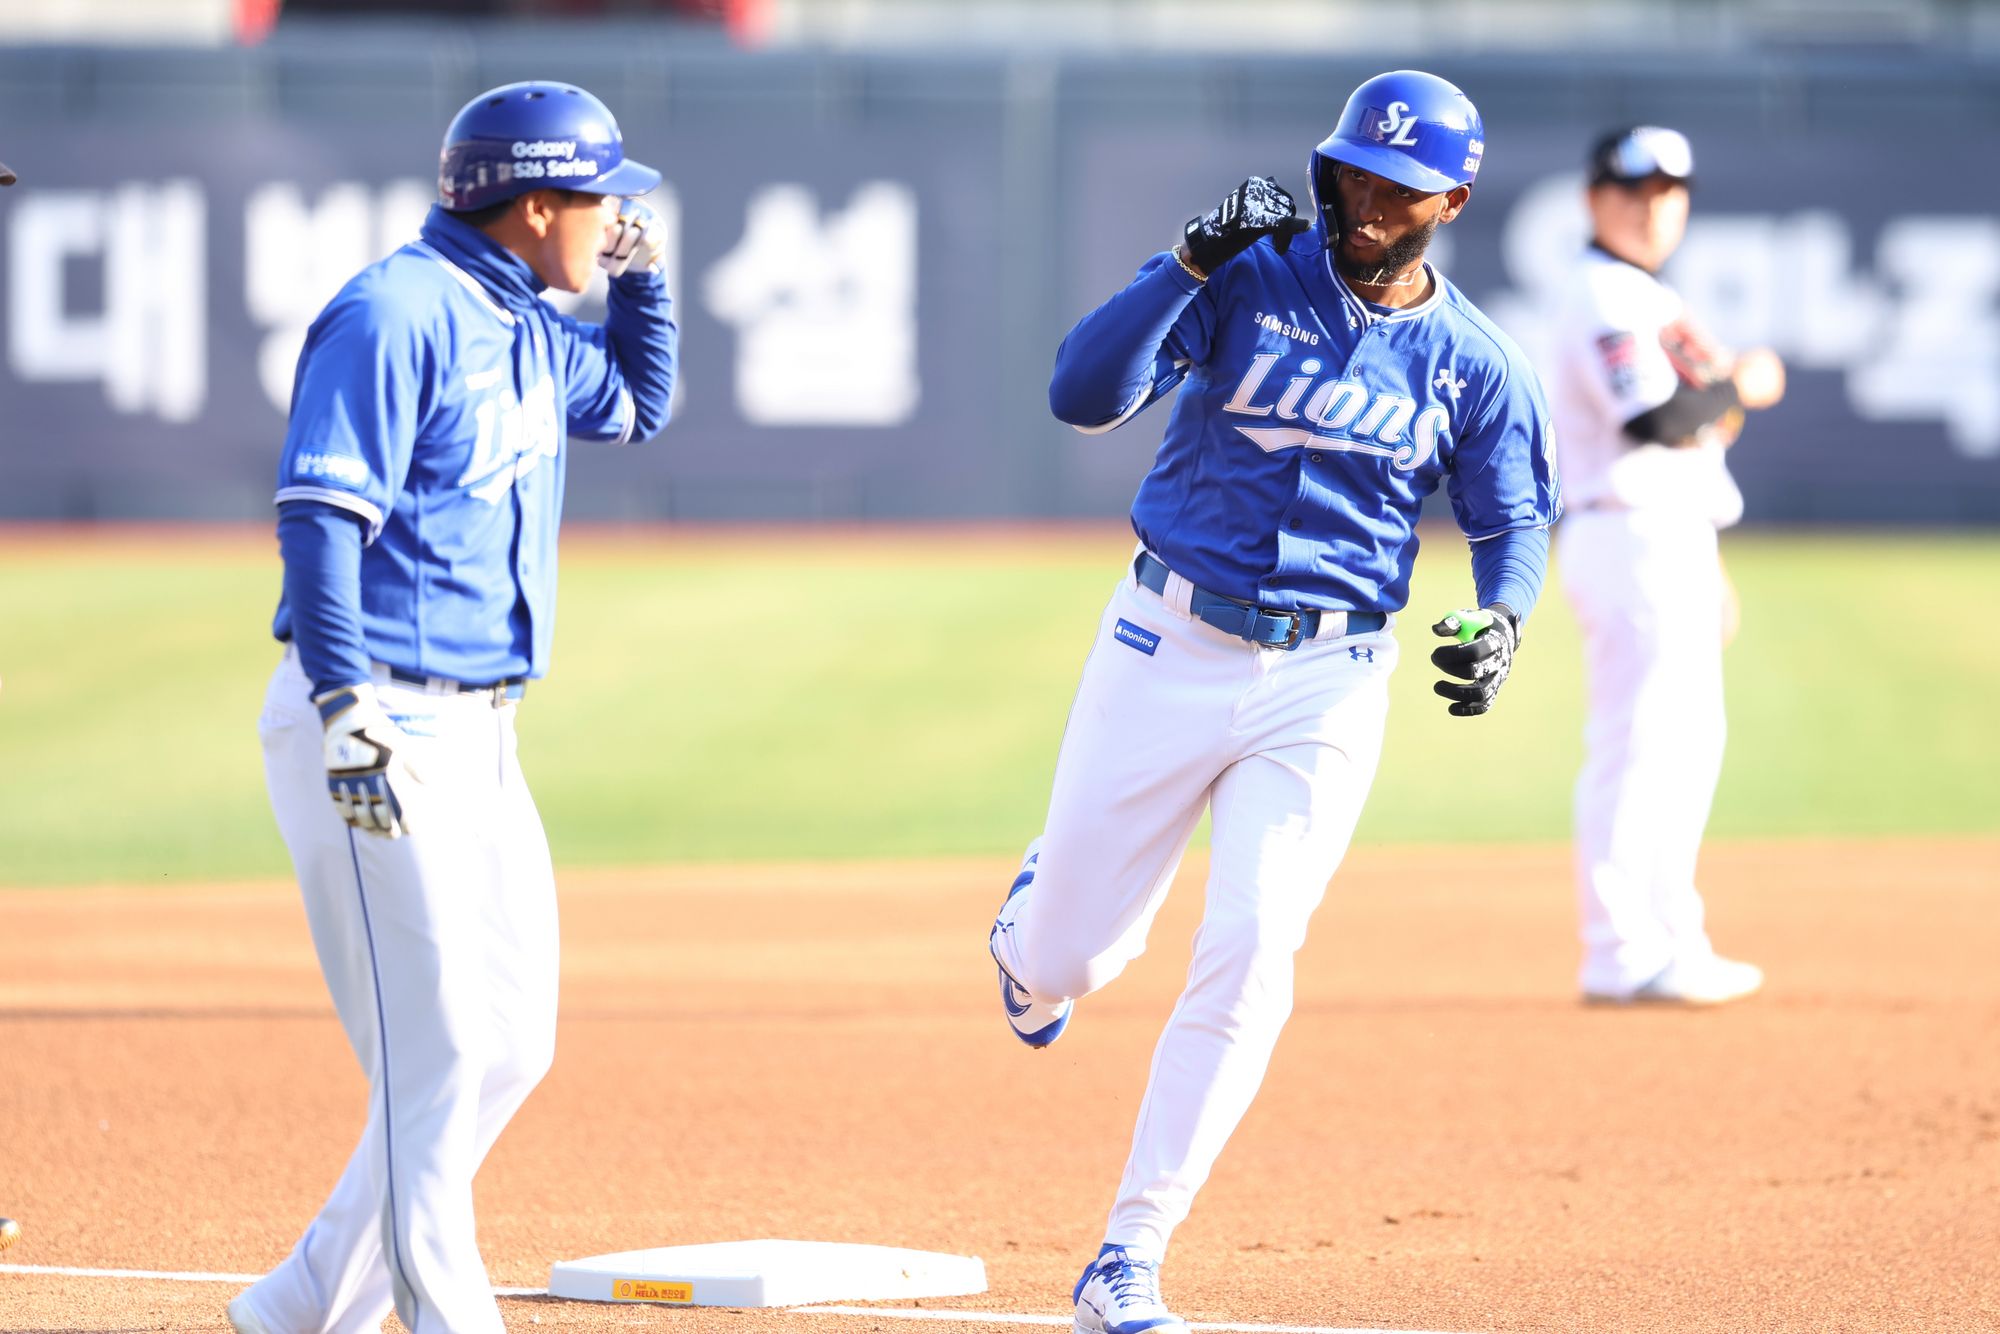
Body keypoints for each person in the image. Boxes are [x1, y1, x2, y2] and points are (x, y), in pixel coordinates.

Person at [988, 70, 1560, 1333]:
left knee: (1252, 945)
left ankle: (1128, 1251)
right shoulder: (1244, 276)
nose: (1365, 201)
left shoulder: (1474, 360)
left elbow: (1511, 517)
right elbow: (1080, 394)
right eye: (1351, 173)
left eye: (1397, 188)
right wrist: (1186, 262)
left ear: (1450, 204)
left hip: (1328, 674)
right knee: (1071, 959)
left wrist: (1505, 616)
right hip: (1163, 639)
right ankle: (1032, 929)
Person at [230, 81, 677, 1334]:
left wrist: (641, 286)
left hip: (483, 732)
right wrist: (343, 703)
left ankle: (304, 1297)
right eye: (598, 200)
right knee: (433, 1050)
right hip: (376, 719)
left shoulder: (521, 319)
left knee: (510, 1040)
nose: (615, 218)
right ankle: (444, 1314)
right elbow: (319, 518)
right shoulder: (395, 313)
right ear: (535, 205)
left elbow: (636, 407)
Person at [1549, 126, 1785, 1007]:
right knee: (1640, 746)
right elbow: (1653, 420)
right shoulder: (1603, 294)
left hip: (1667, 533)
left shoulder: (1644, 293)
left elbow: (1680, 444)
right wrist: (1741, 385)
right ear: (1593, 200)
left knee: (1684, 747)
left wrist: (1706, 559)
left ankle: (1668, 939)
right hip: (1628, 530)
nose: (1652, 208)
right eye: (1632, 191)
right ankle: (1620, 950)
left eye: (1667, 193)